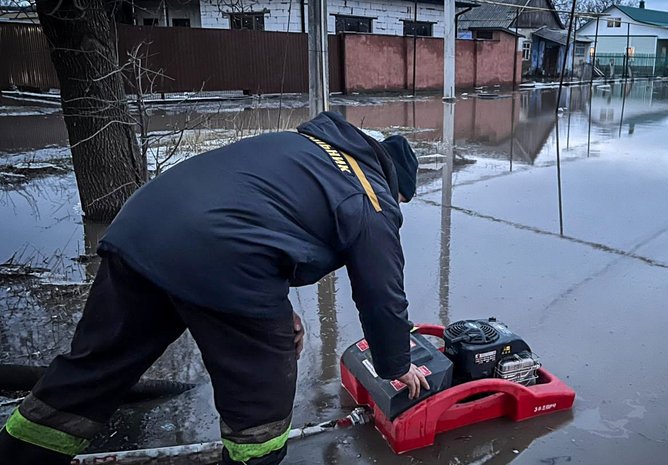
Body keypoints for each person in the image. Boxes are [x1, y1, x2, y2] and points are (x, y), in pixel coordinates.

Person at [0, 111, 429, 465]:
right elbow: (382, 295)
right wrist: (396, 366)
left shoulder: (300, 148)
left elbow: (261, 221)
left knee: (92, 371)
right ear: (396, 185)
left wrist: (277, 311)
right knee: (258, 415)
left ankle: (17, 454)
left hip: (139, 230)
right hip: (221, 257)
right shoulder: (370, 198)